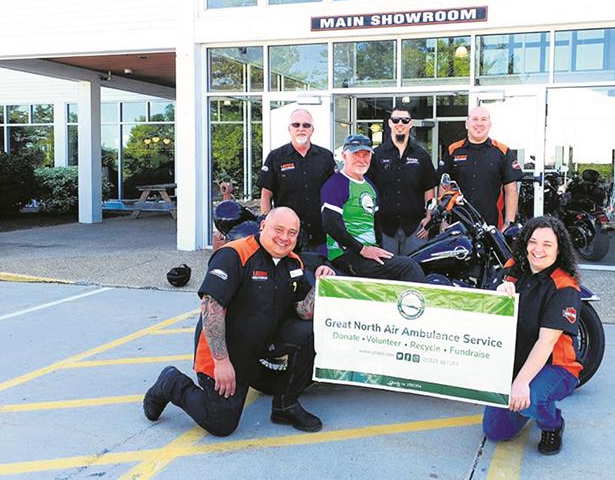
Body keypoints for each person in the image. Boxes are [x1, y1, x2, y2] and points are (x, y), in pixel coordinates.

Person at [142, 207, 334, 435]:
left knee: (312, 331)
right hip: (227, 349)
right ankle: (171, 382)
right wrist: (221, 362)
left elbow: (303, 313)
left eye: (292, 232)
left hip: (263, 342)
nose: (285, 237)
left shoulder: (293, 263)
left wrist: (318, 287)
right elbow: (212, 309)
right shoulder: (234, 255)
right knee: (221, 424)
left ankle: (286, 405)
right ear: (263, 226)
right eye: (279, 229)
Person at [483, 216, 583, 455]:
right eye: (533, 242)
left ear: (559, 250)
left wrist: (520, 382)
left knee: (534, 398)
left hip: (556, 365)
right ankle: (526, 406)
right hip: (515, 360)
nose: (538, 249)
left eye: (547, 244)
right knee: (495, 431)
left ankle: (552, 423)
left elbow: (546, 342)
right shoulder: (511, 268)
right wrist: (498, 294)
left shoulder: (564, 286)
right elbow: (485, 307)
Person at [320, 133, 426, 283]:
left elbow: (376, 225)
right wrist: (362, 249)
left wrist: (378, 250)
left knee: (415, 263)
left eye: (366, 155)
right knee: (408, 267)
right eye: (356, 154)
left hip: (366, 253)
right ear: (344, 155)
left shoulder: (370, 186)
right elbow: (331, 225)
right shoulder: (336, 184)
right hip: (346, 254)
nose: (362, 160)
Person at [259, 108, 336, 253]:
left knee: (319, 273)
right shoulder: (276, 157)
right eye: (296, 125)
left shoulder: (326, 157)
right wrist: (267, 225)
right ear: (289, 129)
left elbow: (334, 194)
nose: (301, 129)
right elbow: (266, 195)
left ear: (312, 130)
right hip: (285, 237)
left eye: (306, 125)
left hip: (321, 235)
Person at [366, 107, 438, 255]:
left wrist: (429, 216)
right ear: (390, 123)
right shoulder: (376, 155)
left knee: (415, 270)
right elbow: (368, 189)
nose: (400, 123)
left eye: (405, 120)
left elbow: (429, 187)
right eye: (396, 120)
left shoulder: (421, 155)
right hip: (384, 227)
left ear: (410, 124)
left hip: (416, 228)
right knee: (387, 272)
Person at [438, 106, 523, 229]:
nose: (479, 123)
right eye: (475, 119)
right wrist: (444, 220)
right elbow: (444, 187)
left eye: (484, 119)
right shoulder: (453, 150)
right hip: (458, 224)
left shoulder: (502, 151)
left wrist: (508, 223)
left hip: (491, 226)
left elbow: (511, 190)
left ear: (490, 124)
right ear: (467, 124)